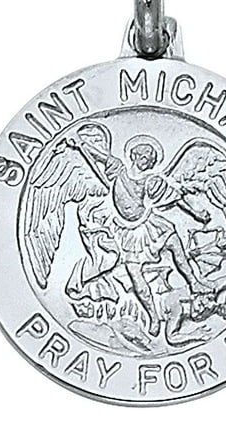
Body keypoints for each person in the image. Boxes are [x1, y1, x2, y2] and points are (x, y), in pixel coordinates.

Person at [77, 124, 212, 337]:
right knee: (136, 277)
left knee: (175, 243)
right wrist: (81, 145)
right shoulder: (117, 170)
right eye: (144, 157)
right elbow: (98, 156)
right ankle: (153, 317)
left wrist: (196, 212)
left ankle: (194, 282)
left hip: (149, 225)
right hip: (127, 233)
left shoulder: (151, 181)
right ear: (134, 155)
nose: (146, 162)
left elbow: (175, 197)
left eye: (150, 160)